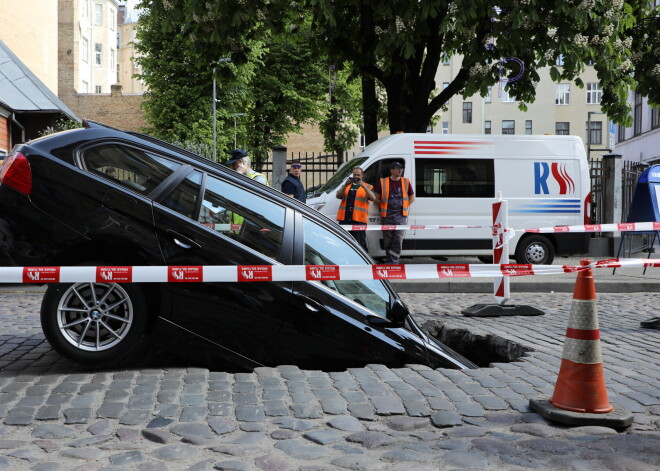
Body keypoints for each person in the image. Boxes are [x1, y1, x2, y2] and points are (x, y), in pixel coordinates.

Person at [374, 161, 415, 264]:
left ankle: (394, 262)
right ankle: (390, 261)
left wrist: (404, 206)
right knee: (388, 240)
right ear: (391, 170)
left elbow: (412, 198)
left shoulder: (405, 182)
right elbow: (376, 198)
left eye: (401, 168)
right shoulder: (383, 182)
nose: (400, 170)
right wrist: (383, 206)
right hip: (387, 216)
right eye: (397, 168)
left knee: (398, 240)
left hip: (400, 216)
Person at [335, 167, 376, 250]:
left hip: (359, 220)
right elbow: (338, 195)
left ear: (362, 175)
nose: (356, 177)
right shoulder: (347, 185)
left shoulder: (368, 186)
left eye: (358, 175)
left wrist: (363, 186)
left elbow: (373, 198)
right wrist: (345, 186)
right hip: (345, 219)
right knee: (345, 243)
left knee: (359, 243)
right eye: (354, 175)